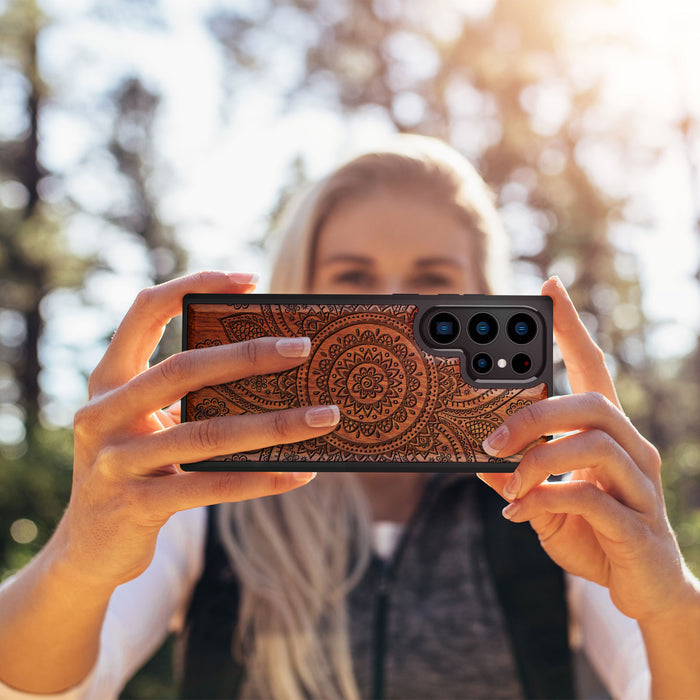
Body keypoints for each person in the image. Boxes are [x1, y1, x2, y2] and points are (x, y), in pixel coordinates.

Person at [0, 135, 699, 700]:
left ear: (484, 302)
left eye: (431, 281)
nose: (390, 309)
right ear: (298, 295)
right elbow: (41, 686)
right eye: (353, 279)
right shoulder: (204, 494)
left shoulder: (552, 498)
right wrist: (78, 559)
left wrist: (669, 603)